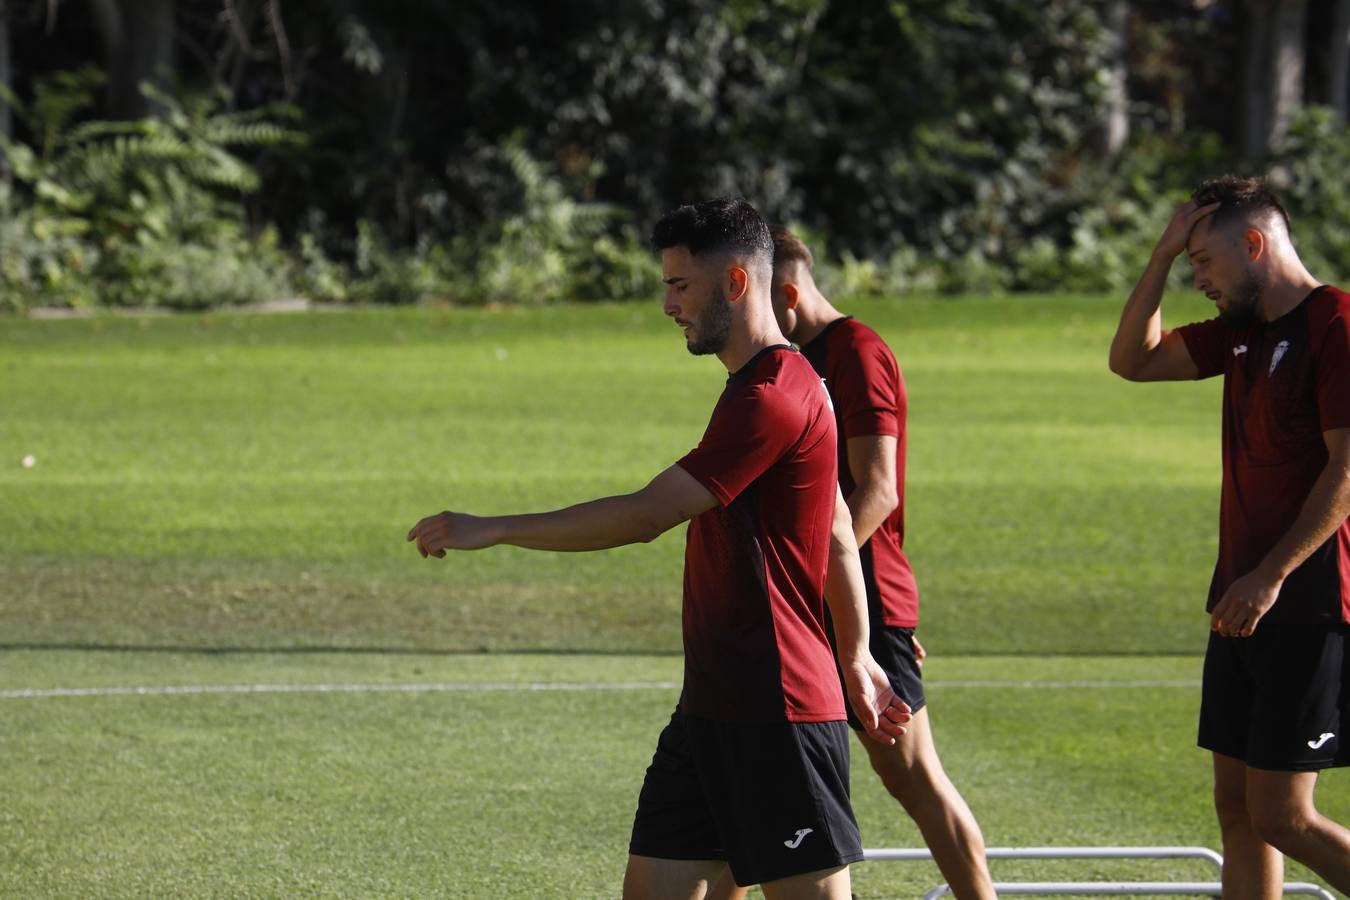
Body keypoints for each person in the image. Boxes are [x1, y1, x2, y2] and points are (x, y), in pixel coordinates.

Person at [407, 197, 912, 900]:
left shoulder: (772, 397)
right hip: (711, 710)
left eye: (680, 286)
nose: (669, 306)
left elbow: (648, 515)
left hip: (779, 718)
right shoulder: (778, 385)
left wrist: (492, 528)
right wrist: (854, 654)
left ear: (735, 282)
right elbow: (834, 534)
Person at [1108, 175, 1350, 898]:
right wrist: (1159, 257)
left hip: (1307, 603)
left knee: (1283, 815)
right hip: (1241, 603)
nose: (1200, 281)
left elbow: (1347, 469)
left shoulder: (1335, 323)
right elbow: (1133, 360)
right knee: (1239, 813)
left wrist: (1271, 575)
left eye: (1203, 263)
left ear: (1253, 244)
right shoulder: (1241, 332)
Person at [758, 226, 997, 899]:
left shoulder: (856, 352)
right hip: (816, 598)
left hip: (858, 593)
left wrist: (811, 586)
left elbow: (879, 489)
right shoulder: (790, 359)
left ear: (788, 293)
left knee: (912, 777)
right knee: (754, 769)